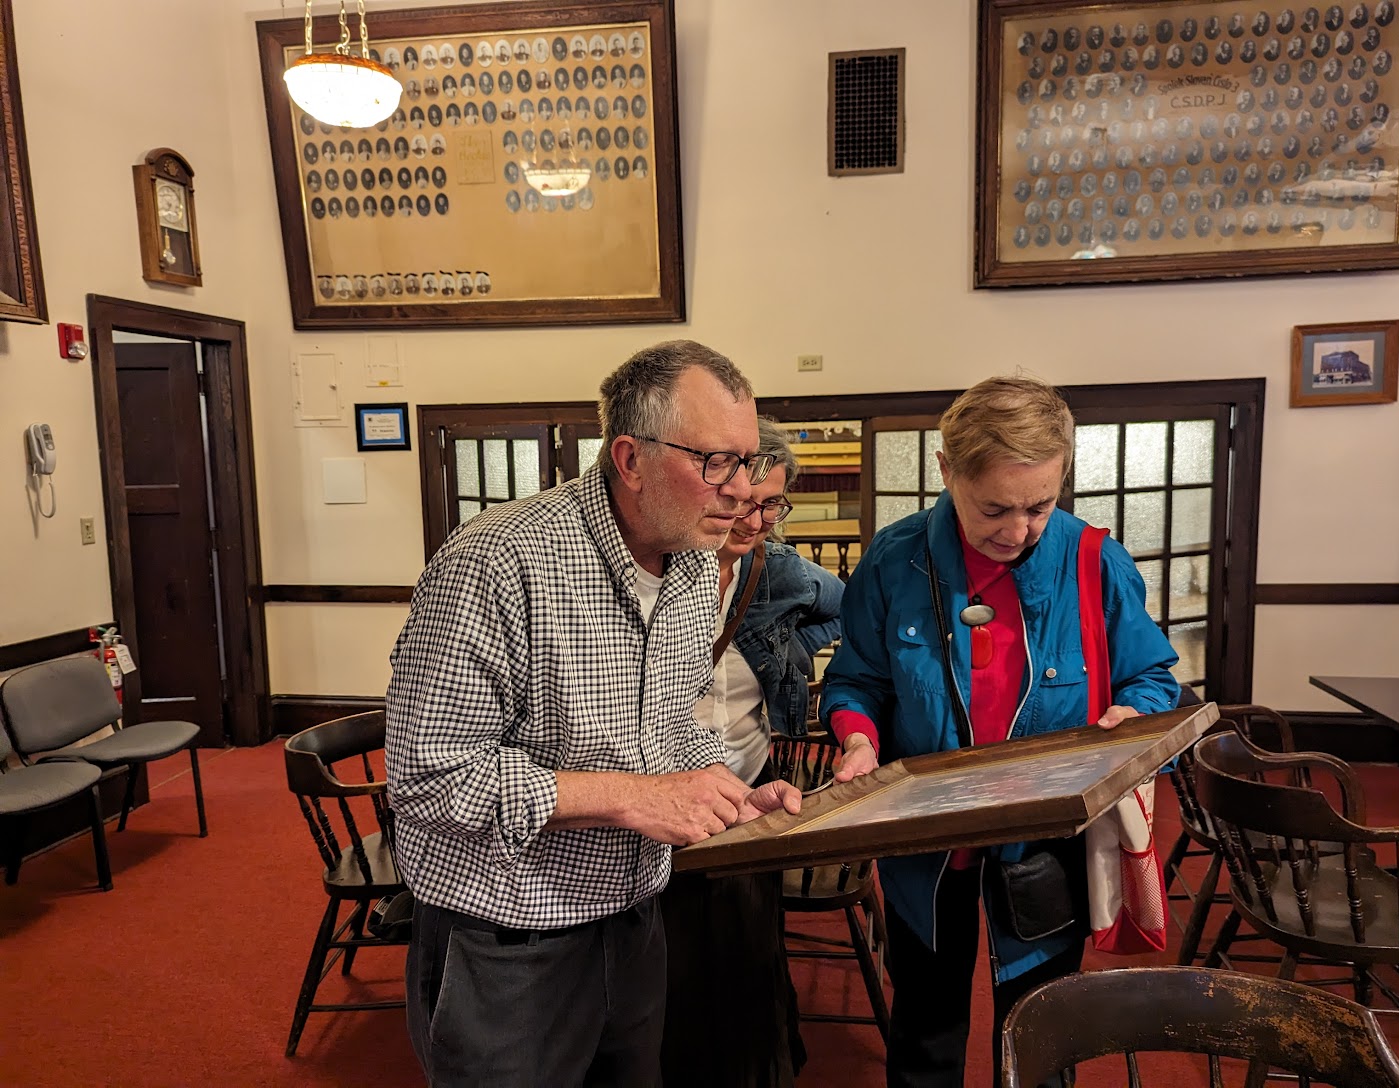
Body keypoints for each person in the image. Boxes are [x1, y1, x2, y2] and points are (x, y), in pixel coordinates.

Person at [387, 341, 803, 1086]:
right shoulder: (498, 562)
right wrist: (631, 798)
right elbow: (429, 778)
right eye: (716, 462)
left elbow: (669, 726)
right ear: (629, 457)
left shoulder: (687, 563)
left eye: (748, 463)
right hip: (508, 937)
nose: (742, 491)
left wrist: (725, 793)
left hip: (635, 917)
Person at [820, 377, 1179, 1088]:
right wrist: (857, 736)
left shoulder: (1091, 559)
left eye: (1039, 506)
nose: (1017, 532)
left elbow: (1151, 677)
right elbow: (856, 679)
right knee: (924, 1021)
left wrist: (1130, 717)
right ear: (946, 469)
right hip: (923, 835)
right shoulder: (895, 560)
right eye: (994, 508)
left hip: (1044, 833)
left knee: (1042, 1025)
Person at [659, 418, 844, 1087]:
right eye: (740, 502)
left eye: (771, 503)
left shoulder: (781, 571)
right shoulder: (664, 561)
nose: (755, 518)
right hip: (662, 792)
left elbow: (843, 608)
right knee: (672, 952)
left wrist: (786, 653)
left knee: (745, 946)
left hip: (747, 779)